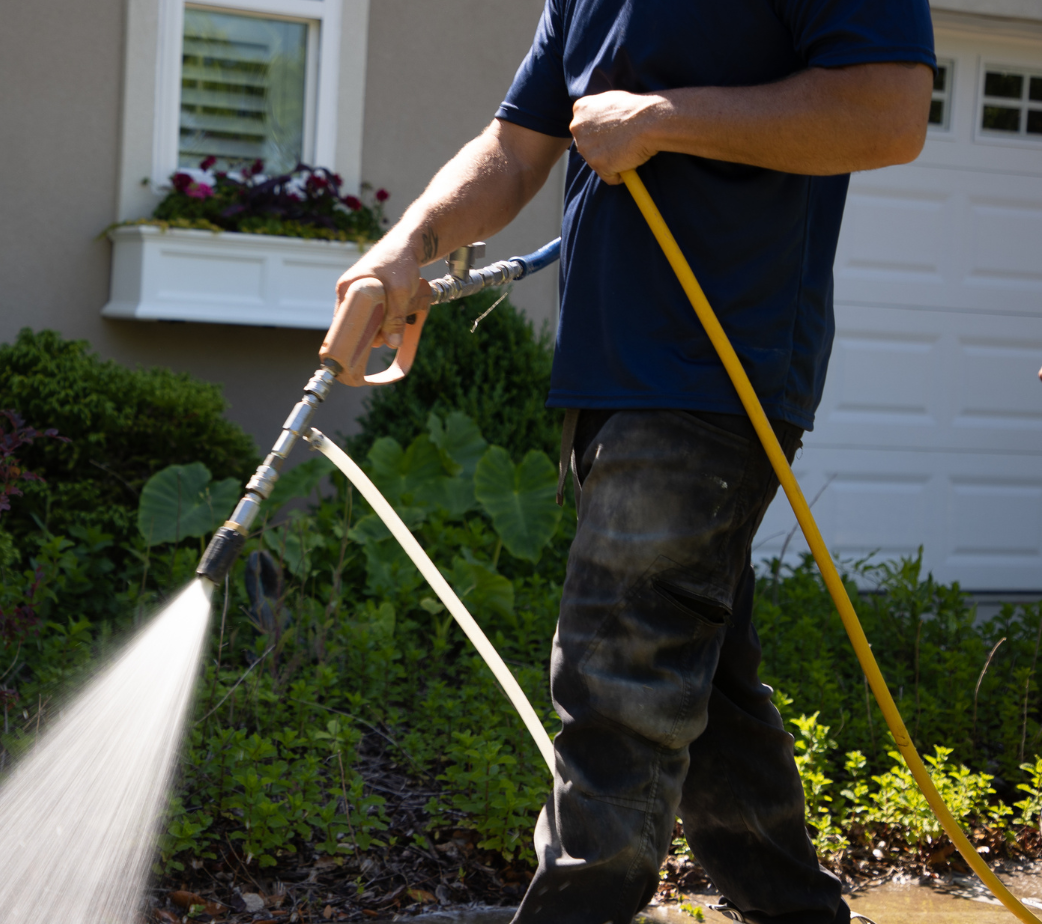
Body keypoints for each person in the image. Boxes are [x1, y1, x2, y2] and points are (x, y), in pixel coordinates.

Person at [330, 1, 935, 922]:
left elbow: (887, 114)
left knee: (618, 676)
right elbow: (516, 146)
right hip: (608, 376)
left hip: (715, 372)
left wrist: (662, 118)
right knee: (707, 695)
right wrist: (407, 245)